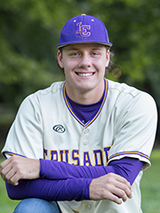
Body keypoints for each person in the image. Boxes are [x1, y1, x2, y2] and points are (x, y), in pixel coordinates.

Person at [0, 14, 158, 213]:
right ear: (60, 58)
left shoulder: (135, 103)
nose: (85, 62)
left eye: (95, 53)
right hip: (57, 209)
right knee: (31, 209)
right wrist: (88, 187)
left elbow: (121, 176)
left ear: (107, 57)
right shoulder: (36, 105)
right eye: (75, 53)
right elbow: (17, 187)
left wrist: (40, 167)